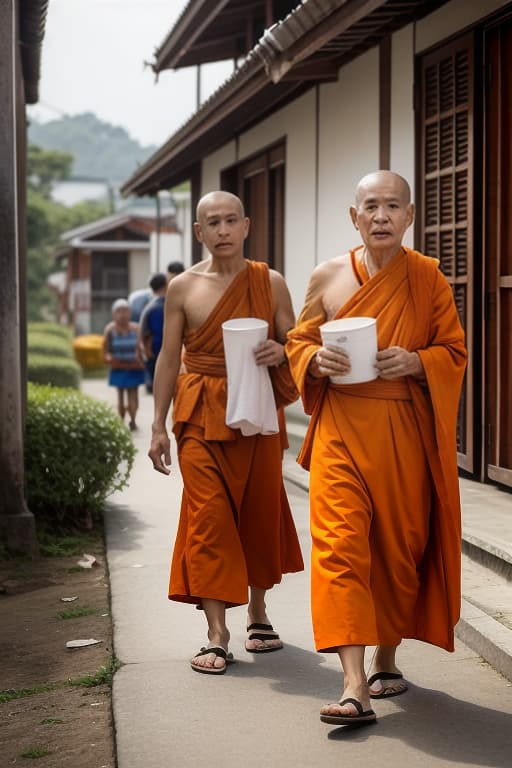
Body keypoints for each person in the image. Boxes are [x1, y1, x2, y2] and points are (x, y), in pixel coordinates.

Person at [286, 170, 467, 726]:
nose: (382, 216)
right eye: (371, 206)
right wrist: (313, 361)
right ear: (354, 216)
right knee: (338, 546)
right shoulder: (328, 276)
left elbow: (453, 351)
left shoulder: (428, 278)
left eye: (393, 206)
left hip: (404, 429)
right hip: (342, 425)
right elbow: (300, 340)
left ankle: (388, 657)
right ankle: (353, 683)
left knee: (396, 550)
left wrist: (417, 362)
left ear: (409, 216)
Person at [148, 190, 303, 674]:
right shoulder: (182, 288)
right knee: (209, 517)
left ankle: (257, 609)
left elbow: (295, 340)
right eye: (211, 223)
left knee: (257, 512)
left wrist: (281, 351)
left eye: (230, 221)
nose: (221, 230)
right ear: (199, 232)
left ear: (246, 225)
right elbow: (168, 358)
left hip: (256, 410)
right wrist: (156, 425)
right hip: (198, 411)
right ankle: (217, 631)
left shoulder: (270, 282)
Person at [103, 298, 145, 431]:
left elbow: (141, 346)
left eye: (125, 311)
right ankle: (121, 420)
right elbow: (105, 350)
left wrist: (142, 358)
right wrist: (110, 359)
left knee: (134, 393)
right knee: (120, 395)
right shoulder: (110, 329)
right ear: (113, 314)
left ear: (130, 313)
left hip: (134, 367)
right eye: (119, 311)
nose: (122, 314)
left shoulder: (136, 328)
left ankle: (133, 420)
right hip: (118, 367)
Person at [138, 272, 168, 394]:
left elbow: (144, 334)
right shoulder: (167, 305)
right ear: (166, 285)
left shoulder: (148, 307)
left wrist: (146, 353)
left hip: (154, 354)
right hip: (166, 352)